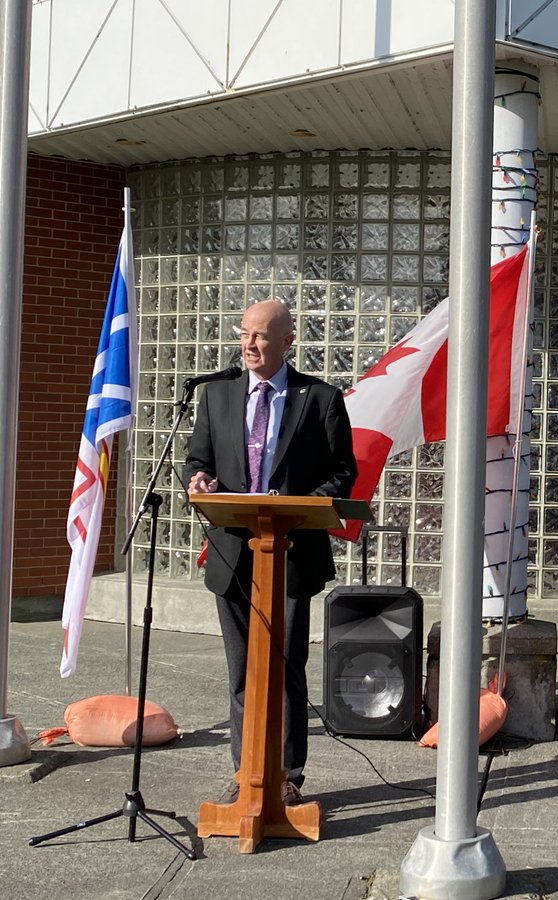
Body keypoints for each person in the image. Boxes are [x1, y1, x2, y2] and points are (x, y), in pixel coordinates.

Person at [184, 299, 356, 806]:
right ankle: (246, 771)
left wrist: (302, 503)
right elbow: (199, 458)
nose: (248, 344)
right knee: (241, 671)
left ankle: (286, 773)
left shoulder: (320, 399)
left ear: (286, 341)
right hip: (232, 552)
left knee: (284, 669)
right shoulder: (216, 396)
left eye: (260, 335)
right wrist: (200, 478)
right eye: (244, 334)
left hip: (291, 552)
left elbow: (342, 474)